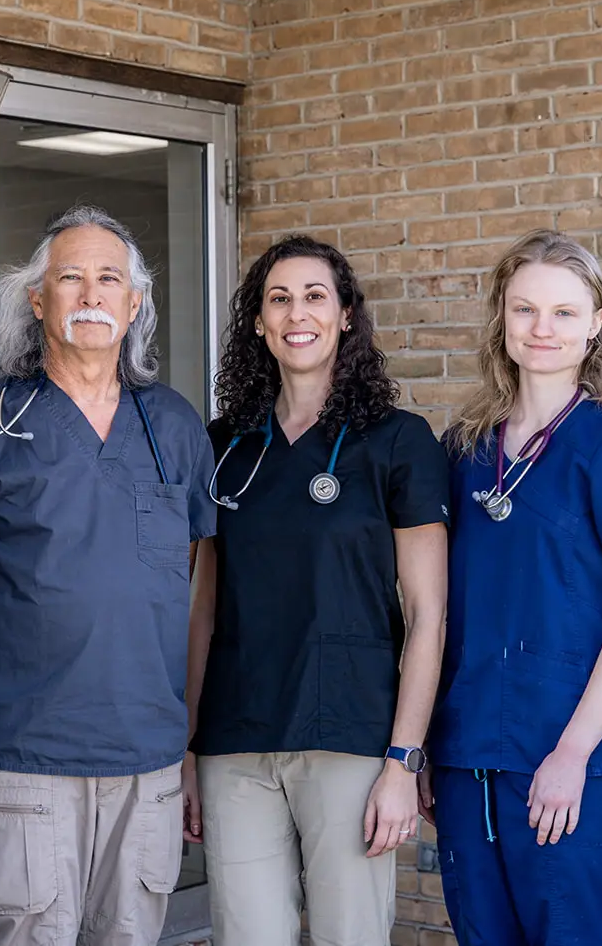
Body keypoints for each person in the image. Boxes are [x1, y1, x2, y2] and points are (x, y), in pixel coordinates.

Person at [0, 205, 216, 946]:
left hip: (145, 759)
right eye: (69, 277)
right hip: (26, 761)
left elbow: (179, 589)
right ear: (37, 300)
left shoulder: (176, 427)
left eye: (108, 278)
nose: (90, 293)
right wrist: (7, 696)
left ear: (134, 302)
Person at [184, 236, 449, 946]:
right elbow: (203, 611)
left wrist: (404, 759)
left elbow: (428, 615)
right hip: (235, 740)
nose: (296, 313)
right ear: (259, 324)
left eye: (314, 296)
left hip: (350, 737)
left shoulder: (397, 442)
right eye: (278, 299)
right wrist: (187, 745)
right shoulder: (225, 445)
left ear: (345, 317)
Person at [425, 232, 602, 946]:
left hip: (573, 757)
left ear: (596, 321)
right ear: (501, 319)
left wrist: (571, 755)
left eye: (565, 312)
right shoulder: (463, 449)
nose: (543, 328)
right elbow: (438, 610)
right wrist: (425, 748)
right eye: (525, 309)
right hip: (468, 751)